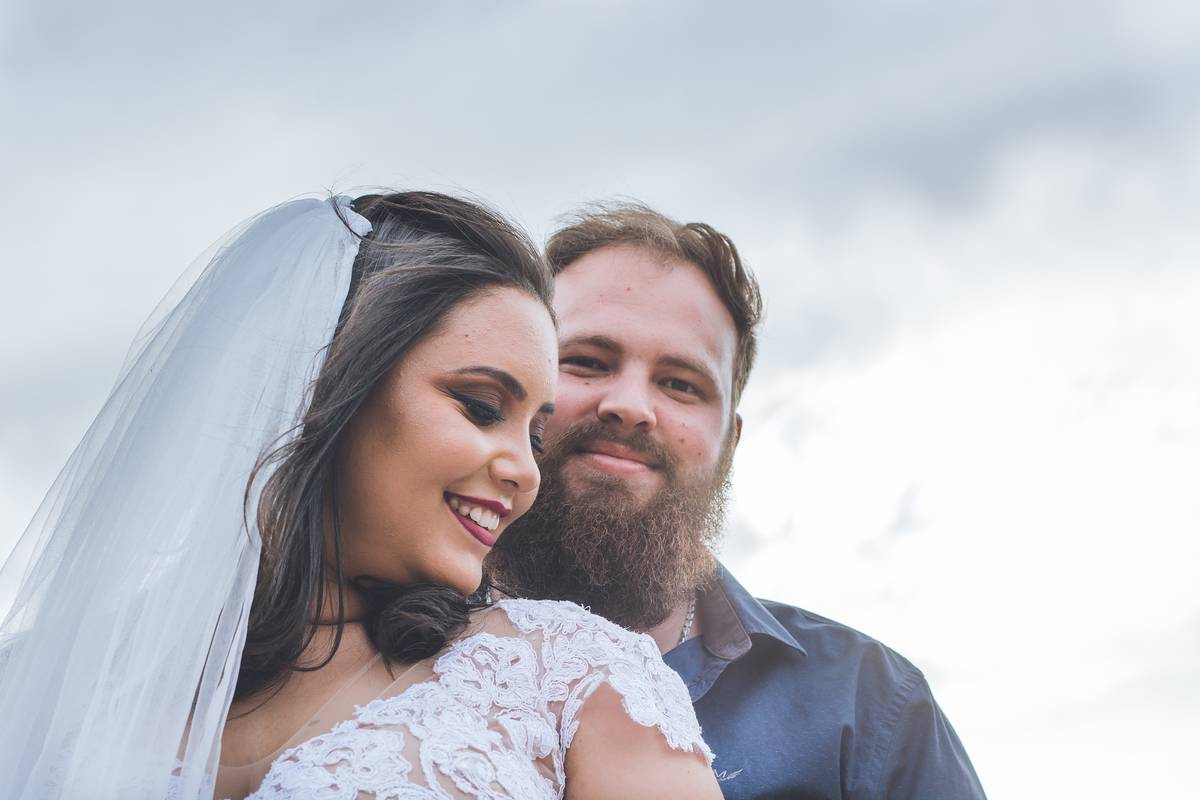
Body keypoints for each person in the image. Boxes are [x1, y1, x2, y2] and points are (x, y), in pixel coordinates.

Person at [0, 192, 719, 800]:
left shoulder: (577, 678)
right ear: (321, 392)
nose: (526, 473)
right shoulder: (39, 686)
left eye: (535, 434)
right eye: (479, 405)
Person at [487, 202, 988, 799]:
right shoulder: (374, 653)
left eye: (680, 384)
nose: (631, 404)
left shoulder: (873, 705)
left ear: (729, 443)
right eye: (588, 362)